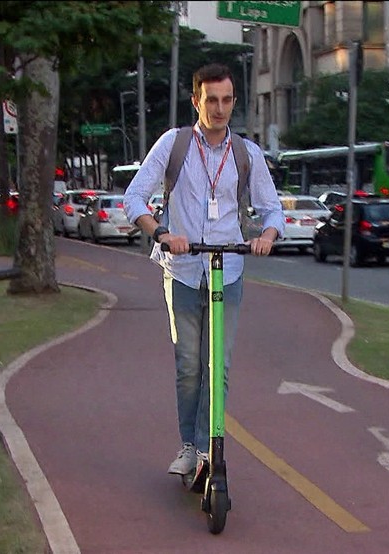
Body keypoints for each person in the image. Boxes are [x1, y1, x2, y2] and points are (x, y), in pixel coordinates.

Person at [123, 63, 285, 475]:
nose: (219, 108)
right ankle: (188, 446)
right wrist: (162, 233)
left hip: (227, 272)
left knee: (219, 367)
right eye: (211, 100)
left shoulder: (247, 153)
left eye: (227, 100)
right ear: (196, 100)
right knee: (188, 366)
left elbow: (272, 209)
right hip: (182, 270)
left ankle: (205, 448)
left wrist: (266, 236)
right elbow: (134, 198)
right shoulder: (173, 144)